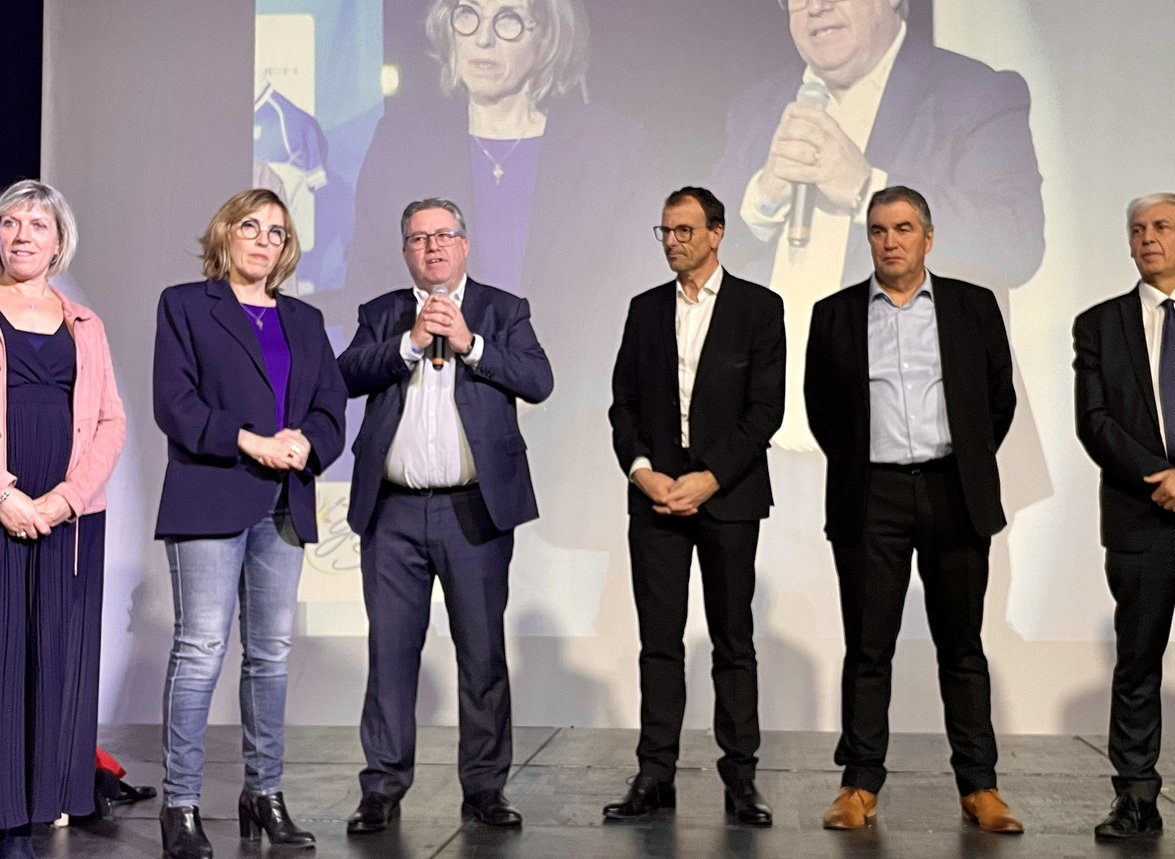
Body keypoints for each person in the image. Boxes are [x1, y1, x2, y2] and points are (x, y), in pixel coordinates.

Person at [340, 0, 660, 550]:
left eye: (507, 20)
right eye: (468, 16)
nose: (483, 38)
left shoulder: (614, 149)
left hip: (568, 443)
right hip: (428, 440)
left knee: (542, 627)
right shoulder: (400, 142)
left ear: (546, 36)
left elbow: (630, 302)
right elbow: (367, 290)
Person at [711, 0, 1043, 464]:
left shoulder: (973, 93)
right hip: (766, 455)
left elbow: (1014, 244)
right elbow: (698, 260)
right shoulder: (758, 107)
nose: (817, 7)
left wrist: (868, 190)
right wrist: (763, 198)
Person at [804, 186, 1022, 833]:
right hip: (872, 496)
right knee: (868, 647)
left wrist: (962, 461)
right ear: (867, 238)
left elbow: (996, 401)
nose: (890, 240)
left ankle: (979, 786)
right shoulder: (835, 313)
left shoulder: (971, 306)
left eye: (902, 228)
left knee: (962, 647)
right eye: (878, 230)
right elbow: (823, 410)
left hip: (954, 490)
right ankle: (859, 784)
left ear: (928, 237)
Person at [339, 198, 552, 833]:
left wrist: (471, 343)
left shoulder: (503, 309)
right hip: (394, 512)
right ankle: (382, 788)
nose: (432, 247)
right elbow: (345, 374)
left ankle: (485, 788)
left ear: (464, 243)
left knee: (482, 654)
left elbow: (538, 380)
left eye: (443, 235)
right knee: (390, 654)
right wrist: (407, 344)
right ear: (405, 250)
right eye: (418, 238)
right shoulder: (381, 313)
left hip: (473, 510)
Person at [152, 189, 347, 859]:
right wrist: (250, 440)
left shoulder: (306, 317)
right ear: (226, 234)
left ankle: (264, 793)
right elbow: (175, 404)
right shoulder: (185, 305)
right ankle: (180, 803)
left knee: (270, 655)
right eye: (251, 227)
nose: (264, 239)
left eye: (276, 231)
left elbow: (329, 407)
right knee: (202, 648)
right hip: (210, 495)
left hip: (284, 503)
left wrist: (306, 443)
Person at [605, 187, 785, 826]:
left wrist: (711, 476)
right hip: (655, 496)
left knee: (733, 640)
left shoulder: (759, 308)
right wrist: (644, 471)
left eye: (684, 230)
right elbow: (622, 404)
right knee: (659, 641)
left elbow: (766, 410)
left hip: (728, 495)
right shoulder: (644, 309)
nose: (673, 241)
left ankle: (741, 779)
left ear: (716, 233)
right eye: (665, 232)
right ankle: (655, 775)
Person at [0, 180, 126, 857]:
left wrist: (64, 499)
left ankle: (34, 806)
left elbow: (111, 420)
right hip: (3, 507)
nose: (22, 234)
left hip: (67, 520)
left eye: (37, 225)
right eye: (10, 222)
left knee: (51, 659)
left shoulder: (85, 324)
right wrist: (5, 496)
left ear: (59, 242)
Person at [1073, 193, 1175, 840]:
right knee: (1138, 657)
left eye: (1161, 227)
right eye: (1136, 230)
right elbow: (1095, 424)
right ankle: (1136, 797)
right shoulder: (1098, 323)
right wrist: (1168, 478)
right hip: (1141, 507)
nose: (1147, 238)